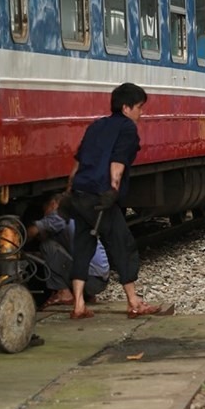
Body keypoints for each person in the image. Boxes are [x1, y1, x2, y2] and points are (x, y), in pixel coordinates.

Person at [65, 82, 161, 319]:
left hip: (80, 192)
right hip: (100, 196)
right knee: (122, 244)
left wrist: (69, 190)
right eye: (139, 107)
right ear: (126, 108)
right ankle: (134, 302)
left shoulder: (97, 125)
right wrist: (113, 190)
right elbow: (118, 163)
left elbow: (79, 161)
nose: (141, 112)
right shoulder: (127, 128)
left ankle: (78, 305)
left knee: (83, 246)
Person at [28, 193, 110, 309]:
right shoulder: (77, 215)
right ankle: (86, 296)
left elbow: (32, 231)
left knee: (46, 246)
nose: (44, 215)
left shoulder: (60, 216)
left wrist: (20, 240)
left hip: (90, 279)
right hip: (100, 278)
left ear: (53, 204)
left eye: (45, 210)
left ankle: (64, 293)